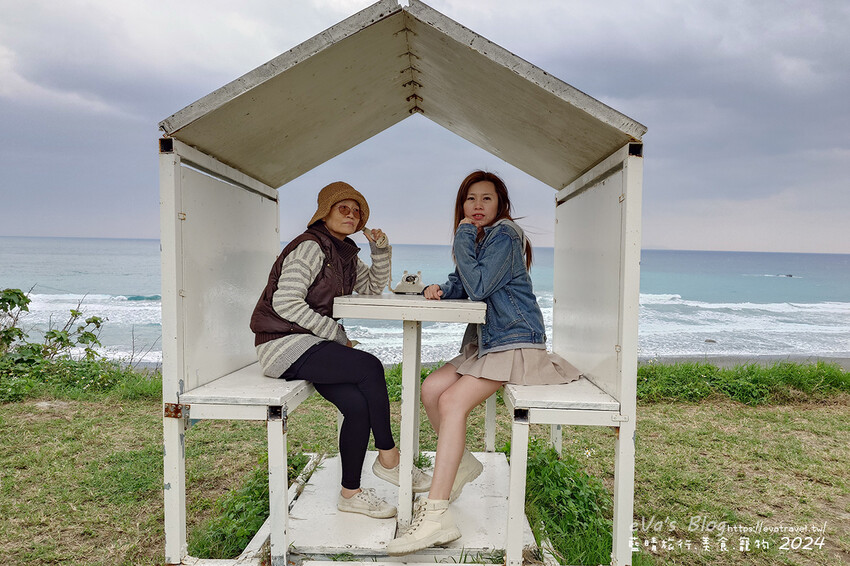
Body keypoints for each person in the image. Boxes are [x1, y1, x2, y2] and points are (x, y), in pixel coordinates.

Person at [386, 171, 581, 555]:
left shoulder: (505, 234)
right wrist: (442, 289)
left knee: (452, 402)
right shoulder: (483, 238)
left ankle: (438, 515)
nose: (477, 206)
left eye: (486, 199)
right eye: (470, 199)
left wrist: (460, 234)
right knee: (431, 389)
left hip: (514, 341)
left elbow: (479, 285)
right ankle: (461, 465)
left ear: (500, 204)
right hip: (489, 342)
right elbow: (467, 281)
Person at [250, 181, 431, 520]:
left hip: (310, 344)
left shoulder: (342, 252)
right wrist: (337, 334)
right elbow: (285, 302)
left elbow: (373, 288)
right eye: (343, 209)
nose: (352, 215)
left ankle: (351, 493)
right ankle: (390, 457)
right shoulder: (310, 247)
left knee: (358, 406)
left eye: (357, 211)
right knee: (370, 367)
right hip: (282, 344)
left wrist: (381, 252)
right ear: (325, 212)